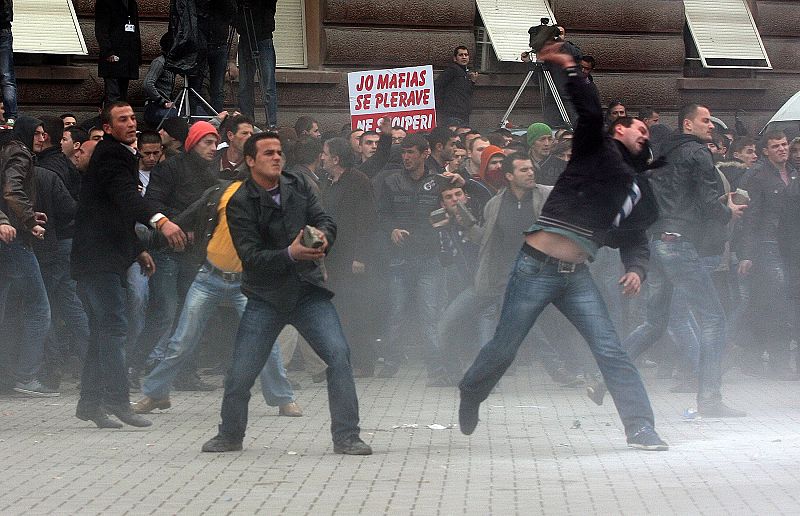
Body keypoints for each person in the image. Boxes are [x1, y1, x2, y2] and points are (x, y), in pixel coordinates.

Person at [458, 42, 669, 451]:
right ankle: (471, 390)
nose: (645, 134)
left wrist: (636, 268)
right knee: (505, 346)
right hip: (534, 267)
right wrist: (571, 68)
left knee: (610, 349)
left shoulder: (638, 189)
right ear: (619, 130)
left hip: (576, 277)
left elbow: (636, 236)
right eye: (639, 129)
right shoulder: (595, 150)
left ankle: (641, 428)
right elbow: (587, 110)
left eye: (648, 135)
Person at [201, 132, 371, 455]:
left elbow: (324, 219)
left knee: (338, 356)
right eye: (268, 153)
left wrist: (323, 238)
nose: (277, 157)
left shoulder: (298, 185)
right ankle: (230, 435)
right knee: (241, 371)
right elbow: (251, 257)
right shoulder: (240, 201)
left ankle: (347, 436)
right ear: (250, 160)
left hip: (307, 292)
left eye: (279, 152)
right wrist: (290, 254)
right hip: (266, 297)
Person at [133, 171, 302, 418]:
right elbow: (186, 219)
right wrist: (150, 241)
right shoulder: (220, 193)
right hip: (209, 277)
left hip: (247, 282)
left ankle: (283, 398)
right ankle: (156, 393)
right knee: (182, 340)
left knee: (265, 339)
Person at [620, 104, 747, 418]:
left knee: (655, 322)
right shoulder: (698, 152)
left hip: (658, 240)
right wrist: (728, 212)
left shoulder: (663, 153)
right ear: (688, 125)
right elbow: (708, 202)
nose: (711, 125)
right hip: (679, 243)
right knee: (714, 319)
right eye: (705, 120)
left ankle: (602, 376)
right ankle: (710, 399)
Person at [70, 101, 186, 428]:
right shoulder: (112, 154)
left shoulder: (119, 153)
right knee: (114, 327)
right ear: (108, 127)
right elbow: (127, 198)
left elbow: (113, 210)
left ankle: (90, 404)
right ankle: (117, 400)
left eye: (132, 117)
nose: (131, 123)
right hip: (98, 258)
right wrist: (161, 221)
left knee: (102, 331)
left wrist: (137, 250)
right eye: (122, 119)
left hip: (101, 256)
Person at [0, 116, 54, 396]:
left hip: (9, 236)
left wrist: (29, 214)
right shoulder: (19, 153)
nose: (43, 138)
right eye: (38, 133)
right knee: (39, 308)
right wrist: (29, 221)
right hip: (15, 241)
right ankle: (26, 375)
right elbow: (11, 190)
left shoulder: (8, 151)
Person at [738, 132, 797, 378]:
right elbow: (749, 217)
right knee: (776, 303)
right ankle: (777, 363)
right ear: (766, 151)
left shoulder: (794, 172)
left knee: (788, 301)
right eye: (776, 146)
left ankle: (763, 360)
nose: (782, 149)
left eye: (784, 145)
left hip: (791, 244)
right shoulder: (757, 175)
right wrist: (747, 253)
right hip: (767, 243)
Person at [232, 0, 278, 127]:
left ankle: (271, 124)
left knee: (268, 85)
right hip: (246, 37)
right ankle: (247, 123)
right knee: (245, 86)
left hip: (263, 37)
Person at [94, 0, 141, 103]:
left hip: (128, 57)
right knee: (113, 95)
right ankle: (110, 112)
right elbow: (101, 30)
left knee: (122, 96)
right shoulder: (105, 2)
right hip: (113, 56)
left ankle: (115, 112)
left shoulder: (132, 3)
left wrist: (137, 56)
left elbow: (136, 30)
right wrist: (108, 52)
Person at [434, 46, 477, 126]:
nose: (464, 57)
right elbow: (437, 85)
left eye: (466, 55)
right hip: (453, 113)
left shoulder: (464, 72)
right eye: (461, 55)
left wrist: (472, 81)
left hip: (463, 113)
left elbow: (466, 92)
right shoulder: (452, 70)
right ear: (455, 58)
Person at [0, 0, 17, 128]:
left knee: (6, 77)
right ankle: (11, 118)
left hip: (3, 28)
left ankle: (11, 118)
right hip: (3, 28)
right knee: (7, 77)